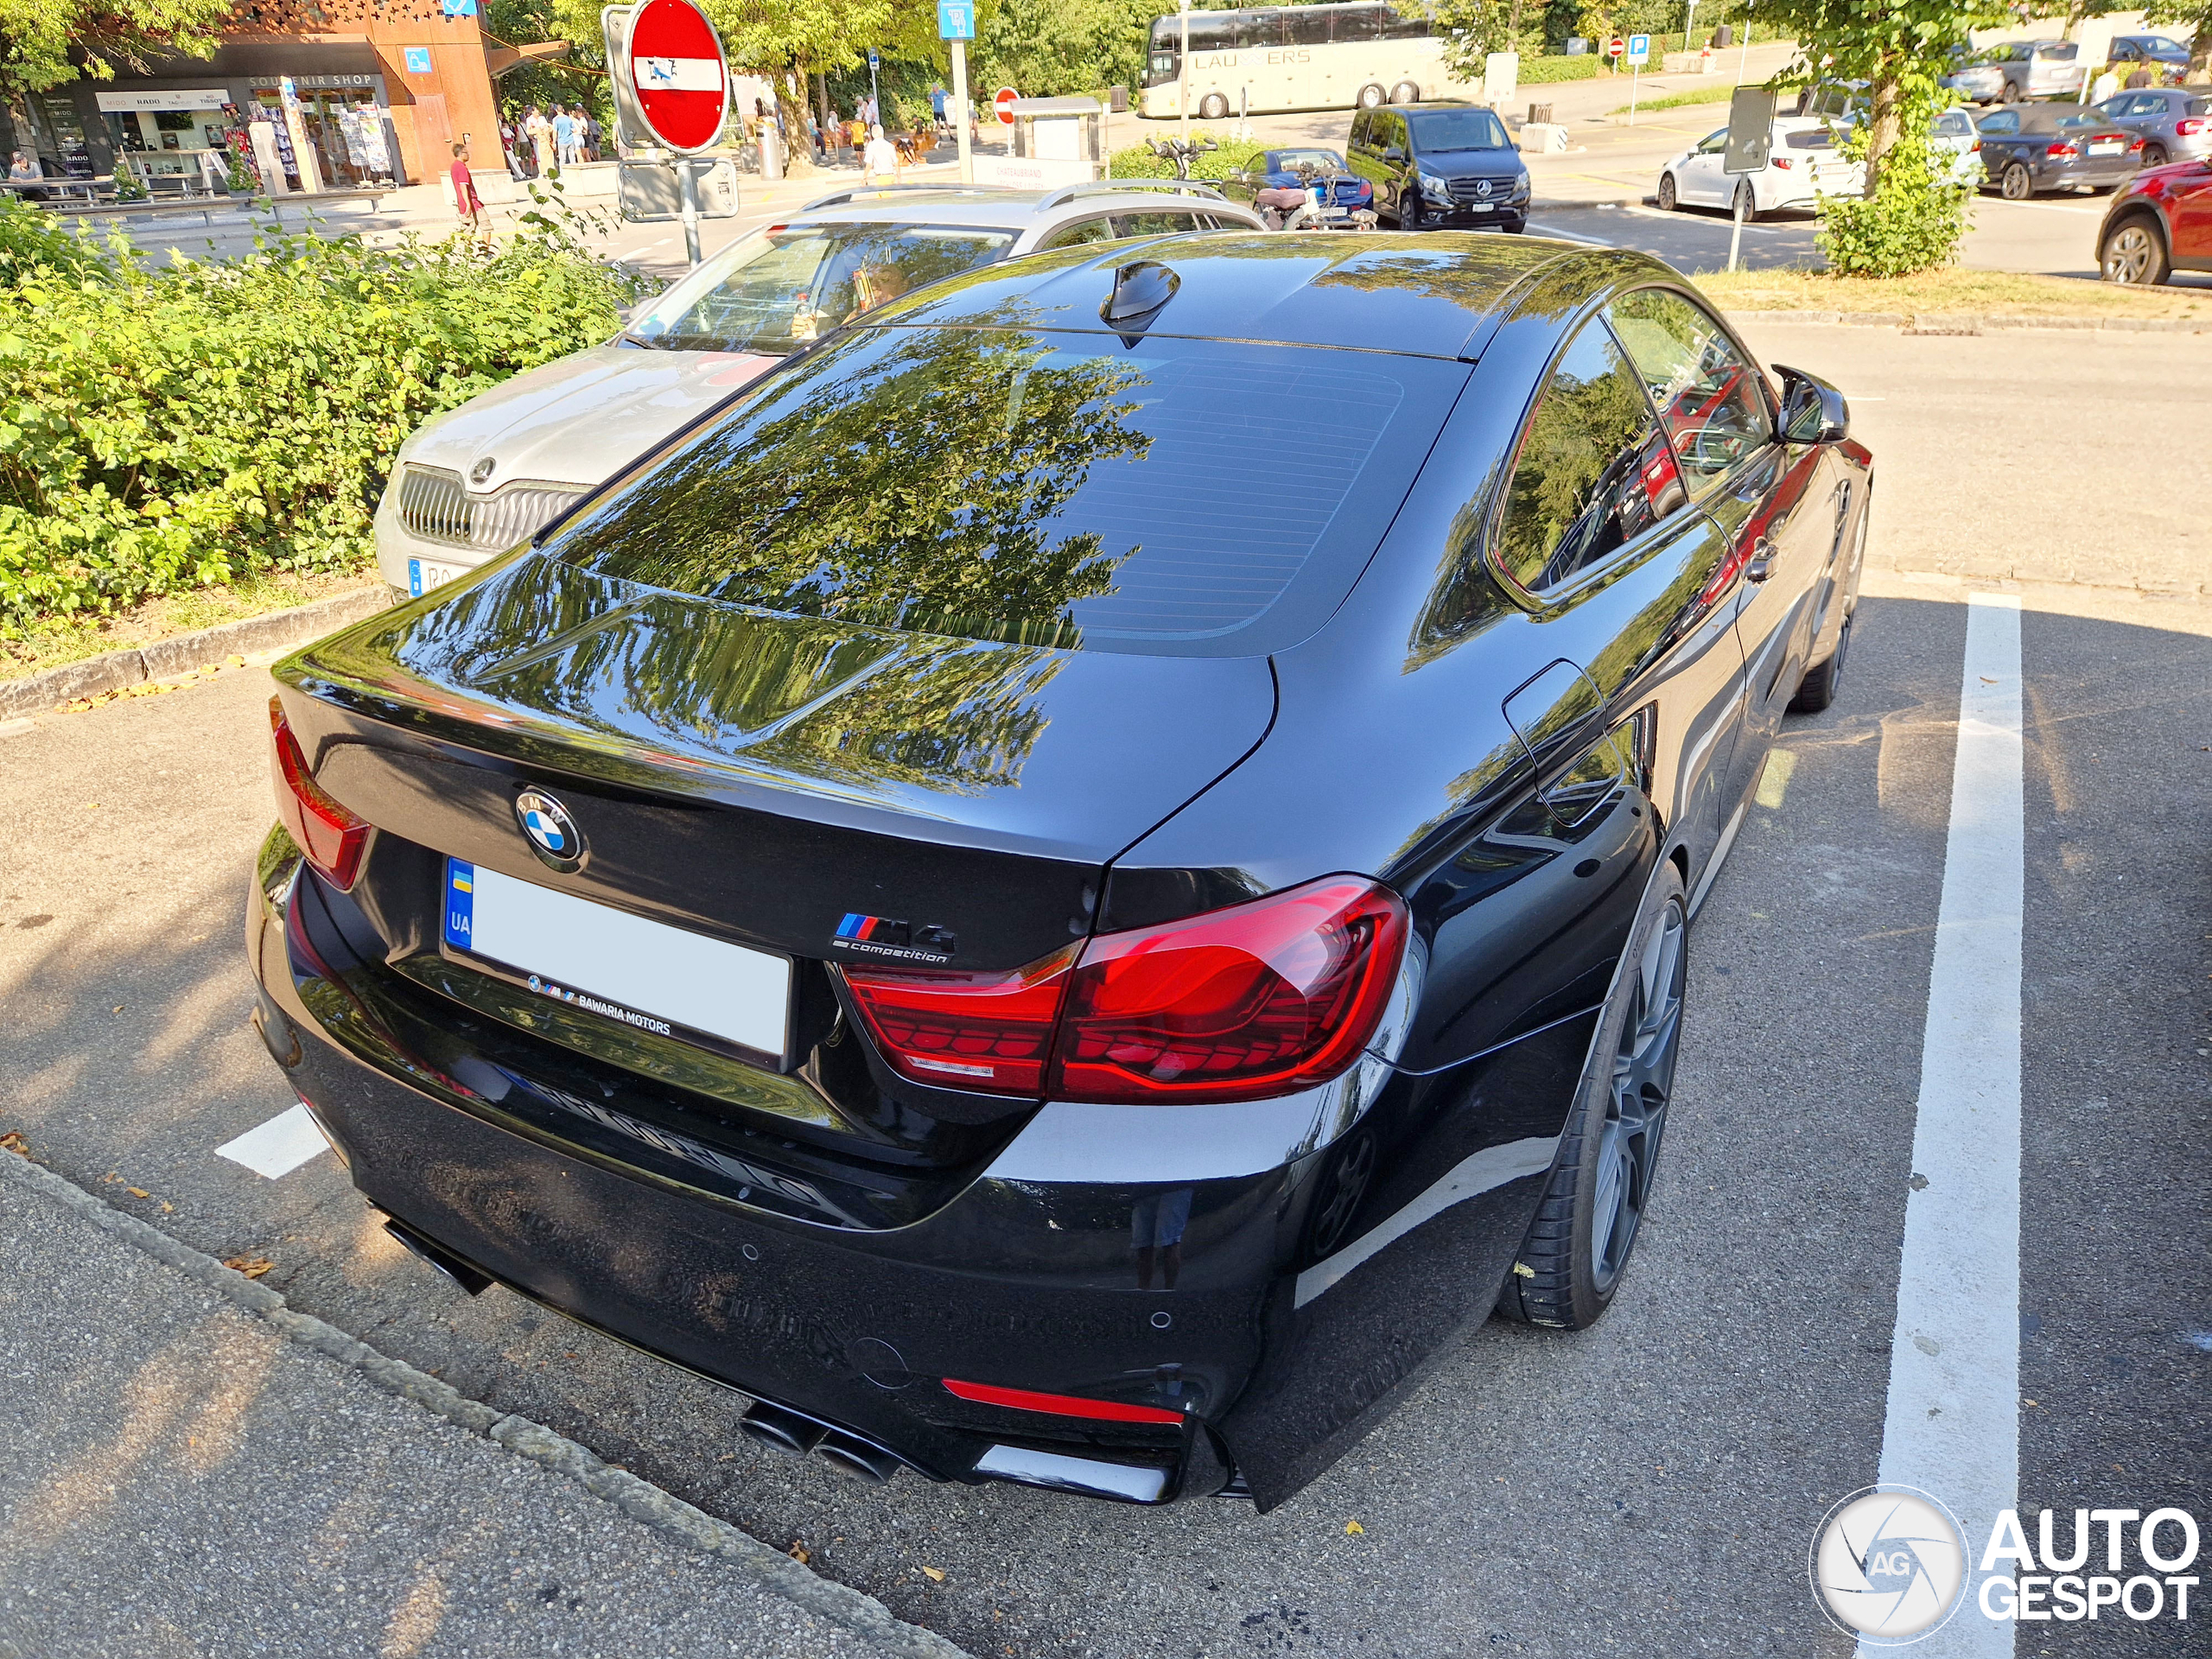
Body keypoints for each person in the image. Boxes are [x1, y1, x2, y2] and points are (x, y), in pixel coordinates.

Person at [449, 138, 484, 234]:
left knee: (468, 228)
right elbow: (463, 186)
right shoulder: (461, 167)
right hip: (469, 202)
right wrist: (468, 204)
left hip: (463, 202)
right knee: (483, 226)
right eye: (466, 152)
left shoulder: (454, 166)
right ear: (461, 154)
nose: (468, 155)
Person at [863, 121, 900, 185]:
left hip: (881, 176)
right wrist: (899, 177)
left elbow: (869, 164)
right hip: (891, 175)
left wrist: (864, 177)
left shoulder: (871, 146)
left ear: (872, 134)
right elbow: (896, 162)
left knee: (884, 194)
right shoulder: (889, 145)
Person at [525, 105, 555, 175]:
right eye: (536, 112)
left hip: (545, 140)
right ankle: (542, 172)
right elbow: (529, 132)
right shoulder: (529, 119)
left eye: (538, 113)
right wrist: (532, 139)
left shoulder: (542, 118)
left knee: (548, 157)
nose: (537, 114)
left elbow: (550, 127)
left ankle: (550, 171)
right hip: (536, 139)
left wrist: (545, 127)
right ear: (532, 112)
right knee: (539, 157)